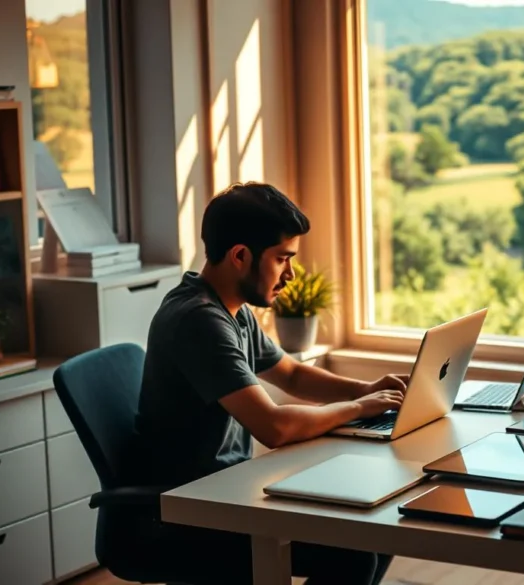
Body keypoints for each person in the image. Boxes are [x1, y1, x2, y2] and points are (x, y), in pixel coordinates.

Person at [133, 182, 405, 585]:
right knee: (352, 553)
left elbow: (291, 373)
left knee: (375, 530)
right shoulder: (199, 320)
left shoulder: (231, 308)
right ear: (240, 256)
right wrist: (359, 408)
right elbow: (274, 427)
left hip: (227, 489)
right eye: (282, 259)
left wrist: (362, 389)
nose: (291, 274)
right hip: (186, 511)